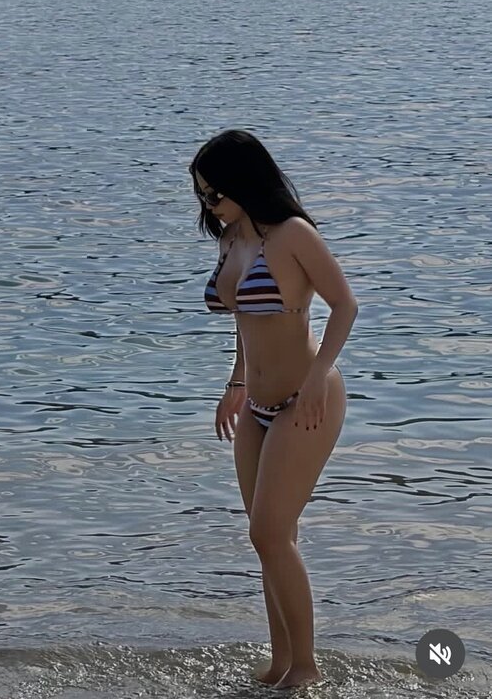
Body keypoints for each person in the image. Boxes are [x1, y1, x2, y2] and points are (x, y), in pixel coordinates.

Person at [189, 129, 358, 691]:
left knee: (270, 533)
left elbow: (344, 304)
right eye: (201, 193)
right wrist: (236, 382)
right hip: (257, 405)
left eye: (215, 192)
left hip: (306, 400)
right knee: (268, 539)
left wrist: (315, 379)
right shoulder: (231, 237)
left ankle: (306, 668)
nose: (209, 203)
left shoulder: (292, 235)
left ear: (243, 181)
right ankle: (280, 662)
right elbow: (247, 319)